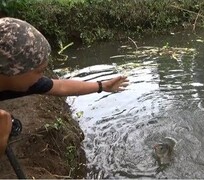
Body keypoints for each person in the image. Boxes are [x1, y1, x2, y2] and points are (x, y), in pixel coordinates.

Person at [0, 17, 129, 155]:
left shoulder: (18, 78)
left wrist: (102, 86)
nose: (41, 77)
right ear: (13, 69)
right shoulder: (19, 78)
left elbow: (61, 86)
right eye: (39, 71)